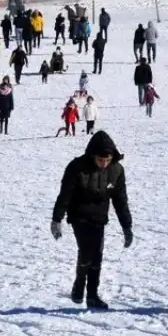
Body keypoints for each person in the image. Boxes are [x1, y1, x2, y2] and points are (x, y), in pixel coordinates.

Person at [51, 131, 132, 310]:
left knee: (97, 254)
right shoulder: (76, 167)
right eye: (100, 160)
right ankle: (79, 284)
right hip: (79, 214)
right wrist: (57, 219)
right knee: (87, 249)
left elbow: (120, 200)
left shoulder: (116, 170)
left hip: (99, 216)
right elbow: (65, 195)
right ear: (93, 156)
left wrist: (127, 226)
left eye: (107, 160)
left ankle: (92, 295)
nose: (104, 164)